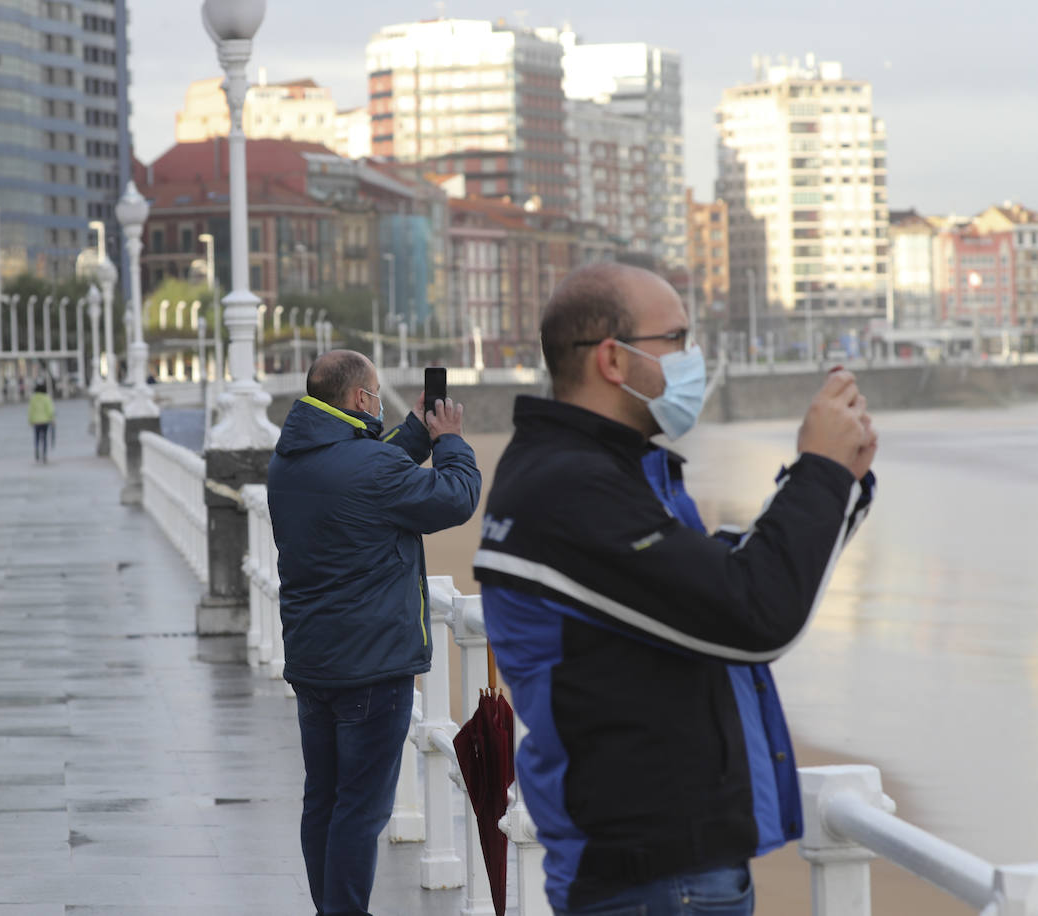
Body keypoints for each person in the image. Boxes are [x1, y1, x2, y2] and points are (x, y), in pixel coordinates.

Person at [472, 263, 878, 916]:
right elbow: (753, 616)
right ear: (613, 359)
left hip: (664, 868)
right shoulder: (572, 490)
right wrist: (821, 473)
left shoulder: (599, 473)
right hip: (652, 878)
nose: (695, 359)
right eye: (679, 339)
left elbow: (720, 586)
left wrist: (837, 483)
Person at [267, 349, 482, 916]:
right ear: (362, 399)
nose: (379, 401)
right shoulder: (369, 470)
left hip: (314, 664)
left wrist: (414, 431)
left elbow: (364, 471)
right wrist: (450, 441)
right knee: (360, 812)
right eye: (376, 393)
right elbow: (455, 499)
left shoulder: (289, 461)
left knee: (325, 803)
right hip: (372, 669)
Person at [28, 380, 55, 463]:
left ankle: (36, 451)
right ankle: (44, 454)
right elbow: (50, 410)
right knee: (45, 438)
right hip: (45, 421)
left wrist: (30, 420)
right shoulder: (46, 398)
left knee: (36, 438)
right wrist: (52, 418)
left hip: (36, 421)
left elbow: (30, 411)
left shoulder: (33, 399)